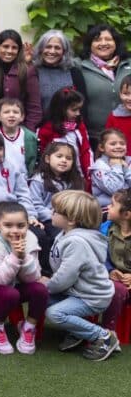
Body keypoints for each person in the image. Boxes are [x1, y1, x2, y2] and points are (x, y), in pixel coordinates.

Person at [44, 190, 120, 360]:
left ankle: (102, 336)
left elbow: (66, 276)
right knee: (42, 298)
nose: (52, 213)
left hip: (91, 297)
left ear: (71, 220)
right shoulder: (66, 234)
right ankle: (78, 332)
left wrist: (47, 285)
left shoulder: (76, 242)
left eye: (55, 211)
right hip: (76, 291)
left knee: (55, 314)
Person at [0, 202, 47, 355]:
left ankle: (29, 327)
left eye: (20, 226)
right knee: (10, 294)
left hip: (14, 282)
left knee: (40, 289)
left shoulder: (30, 238)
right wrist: (15, 256)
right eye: (8, 225)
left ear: (27, 225)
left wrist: (23, 256)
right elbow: (0, 279)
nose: (15, 231)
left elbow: (33, 277)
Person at [28, 142, 83, 275]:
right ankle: (50, 271)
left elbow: (79, 203)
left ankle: (77, 268)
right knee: (56, 236)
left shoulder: (75, 181)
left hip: (70, 219)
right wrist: (55, 216)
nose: (64, 160)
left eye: (68, 158)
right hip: (47, 219)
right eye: (59, 156)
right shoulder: (38, 180)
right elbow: (36, 205)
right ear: (47, 159)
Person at [77, 24, 131, 143]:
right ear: (90, 44)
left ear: (116, 42)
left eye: (108, 39)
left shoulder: (128, 64)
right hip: (94, 137)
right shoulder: (79, 66)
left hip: (127, 135)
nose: (103, 43)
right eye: (97, 40)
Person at [38, 87, 93, 184]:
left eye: (79, 109)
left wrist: (88, 173)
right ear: (61, 109)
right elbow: (42, 154)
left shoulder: (79, 126)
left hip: (77, 175)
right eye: (74, 110)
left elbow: (85, 150)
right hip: (54, 177)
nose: (78, 113)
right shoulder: (47, 129)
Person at [0, 30, 42, 130]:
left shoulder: (27, 71)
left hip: (17, 131)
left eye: (14, 47)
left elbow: (34, 109)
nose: (10, 51)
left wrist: (26, 133)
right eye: (5, 46)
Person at [32, 30, 87, 117]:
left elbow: (83, 104)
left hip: (69, 127)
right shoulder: (34, 71)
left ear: (64, 51)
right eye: (48, 47)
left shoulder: (74, 72)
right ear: (41, 49)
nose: (52, 51)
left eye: (57, 48)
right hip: (40, 128)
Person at [102, 189, 131, 335]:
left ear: (126, 215)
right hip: (115, 280)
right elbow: (100, 256)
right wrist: (109, 270)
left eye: (112, 205)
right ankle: (108, 332)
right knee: (115, 290)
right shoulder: (105, 229)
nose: (108, 207)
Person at [90, 129, 131, 210]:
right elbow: (115, 190)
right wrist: (117, 166)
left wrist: (126, 169)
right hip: (105, 210)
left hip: (126, 208)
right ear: (101, 147)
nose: (118, 146)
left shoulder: (128, 161)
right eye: (113, 144)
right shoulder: (99, 166)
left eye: (122, 143)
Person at [0, 98, 38, 175]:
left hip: (24, 181)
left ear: (22, 117)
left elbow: (32, 161)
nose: (11, 115)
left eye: (15, 112)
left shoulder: (30, 137)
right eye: (6, 112)